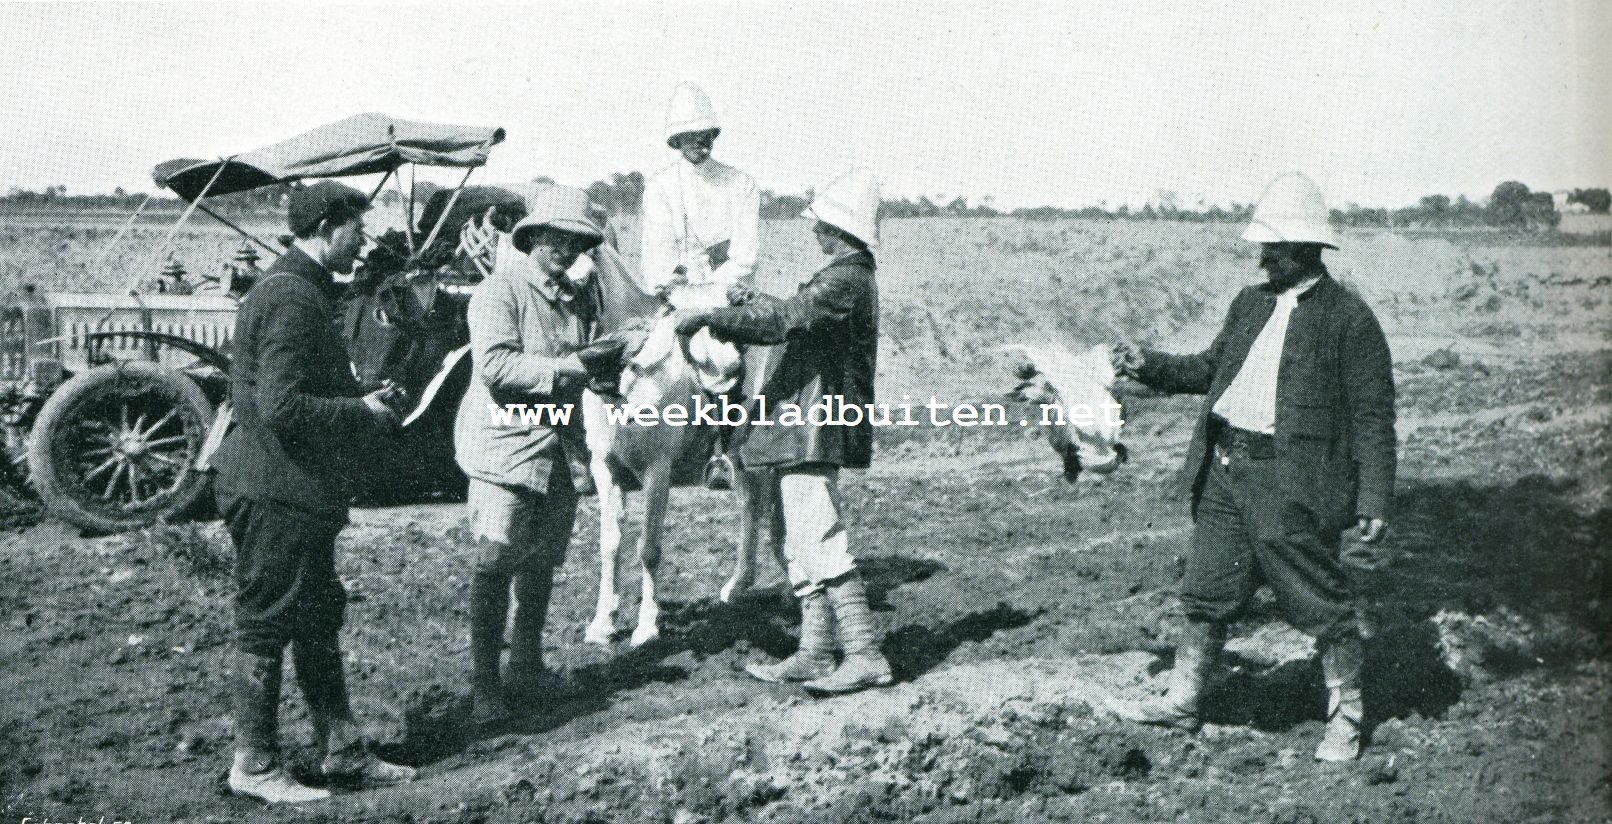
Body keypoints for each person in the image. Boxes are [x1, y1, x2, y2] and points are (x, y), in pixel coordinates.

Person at [1106, 172, 1395, 762]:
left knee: (1319, 599)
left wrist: (1374, 501)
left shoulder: (1349, 320)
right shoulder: (1250, 303)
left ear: (1306, 247)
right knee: (1207, 589)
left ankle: (1345, 718)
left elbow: (1372, 418)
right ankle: (1184, 698)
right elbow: (1210, 370)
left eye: (1274, 246)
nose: (1263, 256)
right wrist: (1148, 364)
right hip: (1226, 469)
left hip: (1293, 483)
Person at [212, 181, 417, 803]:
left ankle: (344, 750)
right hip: (277, 488)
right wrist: (363, 412)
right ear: (328, 226)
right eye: (357, 227)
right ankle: (255, 765)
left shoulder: (291, 288)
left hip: (293, 487)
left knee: (317, 616)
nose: (364, 239)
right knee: (268, 621)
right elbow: (280, 406)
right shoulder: (295, 299)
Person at [674, 168, 893, 695]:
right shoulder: (845, 278)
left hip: (817, 424)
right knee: (799, 540)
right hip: (804, 426)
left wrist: (716, 315)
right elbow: (789, 315)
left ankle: (865, 653)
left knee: (817, 533)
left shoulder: (845, 279)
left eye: (819, 222)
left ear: (838, 228)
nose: (813, 230)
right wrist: (751, 304)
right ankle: (816, 652)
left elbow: (785, 321)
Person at [453, 185, 613, 728]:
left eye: (577, 243)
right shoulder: (499, 292)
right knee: (494, 565)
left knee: (542, 564)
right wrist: (571, 368)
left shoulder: (571, 300)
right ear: (534, 238)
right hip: (505, 451)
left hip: (557, 452)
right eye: (558, 241)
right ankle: (484, 687)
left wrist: (607, 368)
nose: (567, 252)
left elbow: (582, 369)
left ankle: (525, 665)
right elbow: (497, 367)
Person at [640, 82, 762, 296]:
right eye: (690, 135)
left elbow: (745, 257)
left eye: (705, 134)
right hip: (677, 295)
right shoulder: (659, 187)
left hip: (730, 294)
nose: (700, 141)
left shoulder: (742, 183)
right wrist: (670, 286)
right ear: (677, 139)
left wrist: (708, 293)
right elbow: (658, 253)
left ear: (713, 135)